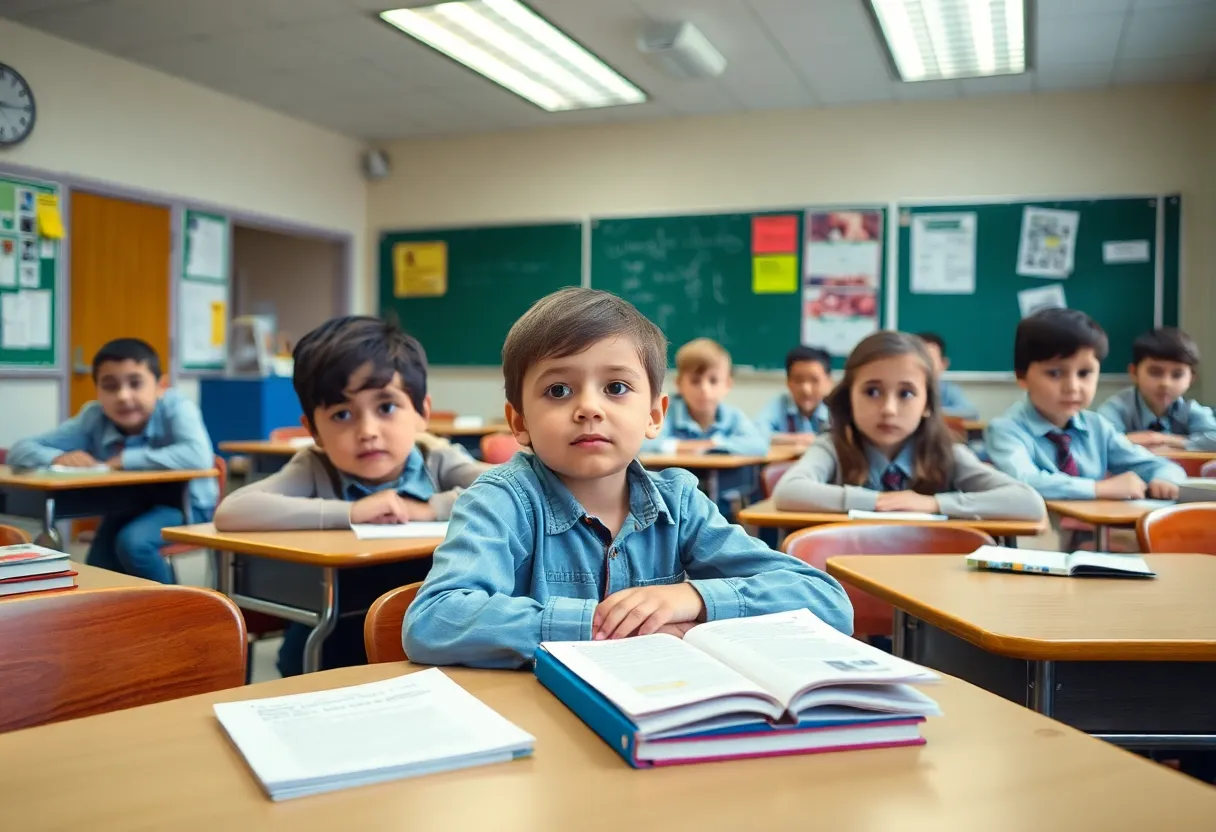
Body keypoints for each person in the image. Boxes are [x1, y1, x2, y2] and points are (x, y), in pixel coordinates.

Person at [403, 288, 853, 668]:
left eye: (616, 388)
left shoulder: (679, 503)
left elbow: (826, 602)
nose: (589, 408)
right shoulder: (501, 501)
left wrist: (692, 598)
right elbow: (433, 620)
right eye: (558, 390)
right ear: (519, 422)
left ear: (655, 415)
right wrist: (600, 625)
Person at [213, 315, 488, 675]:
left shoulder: (434, 456)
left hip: (425, 626)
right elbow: (232, 511)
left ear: (422, 412)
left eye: (386, 407)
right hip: (331, 629)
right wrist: (353, 511)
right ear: (313, 430)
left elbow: (505, 485)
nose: (367, 431)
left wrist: (429, 508)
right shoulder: (315, 466)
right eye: (342, 414)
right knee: (305, 660)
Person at [772, 331, 1044, 520]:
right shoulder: (832, 446)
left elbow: (1028, 502)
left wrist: (932, 503)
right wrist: (875, 502)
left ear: (927, 403)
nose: (889, 409)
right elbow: (788, 492)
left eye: (906, 394)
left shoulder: (946, 453)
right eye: (872, 392)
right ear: (849, 398)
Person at [8, 338, 216, 583]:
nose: (123, 396)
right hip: (125, 506)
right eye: (110, 386)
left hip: (186, 506)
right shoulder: (94, 416)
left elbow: (198, 455)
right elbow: (19, 450)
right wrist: (58, 457)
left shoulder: (177, 408)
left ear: (161, 386)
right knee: (98, 564)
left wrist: (125, 460)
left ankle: (177, 613)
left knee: (133, 544)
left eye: (135, 383)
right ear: (97, 392)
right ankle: (121, 617)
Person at [985, 309, 1185, 501]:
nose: (1072, 387)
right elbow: (1024, 482)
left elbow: (1160, 466)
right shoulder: (1005, 430)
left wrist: (1164, 479)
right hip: (1036, 534)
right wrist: (1097, 489)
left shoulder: (1097, 427)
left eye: (1084, 373)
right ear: (1022, 376)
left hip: (1092, 532)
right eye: (1054, 373)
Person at [641, 337, 767, 456]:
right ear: (679, 383)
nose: (704, 389)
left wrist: (715, 445)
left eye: (713, 381)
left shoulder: (732, 416)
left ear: (727, 384)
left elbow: (759, 445)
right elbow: (643, 443)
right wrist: (698, 446)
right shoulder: (667, 412)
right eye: (695, 381)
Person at [1096, 327, 1216, 451]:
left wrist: (1162, 439)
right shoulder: (1117, 408)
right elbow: (1100, 442)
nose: (1166, 383)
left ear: (1191, 379)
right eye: (1155, 372)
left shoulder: (1188, 409)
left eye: (1177, 375)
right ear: (1134, 373)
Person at [754, 345, 833, 443]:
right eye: (798, 380)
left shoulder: (836, 409)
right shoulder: (779, 405)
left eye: (814, 380)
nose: (806, 389)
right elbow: (755, 434)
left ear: (829, 382)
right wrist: (798, 439)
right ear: (788, 382)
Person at [916, 333, 979, 420]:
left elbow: (971, 412)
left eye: (929, 360)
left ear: (944, 364)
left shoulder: (947, 390)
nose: (923, 365)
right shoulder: (900, 387)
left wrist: (929, 412)